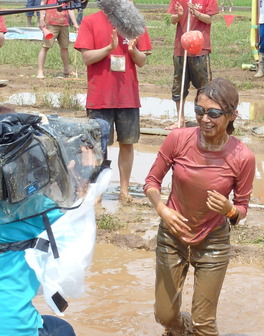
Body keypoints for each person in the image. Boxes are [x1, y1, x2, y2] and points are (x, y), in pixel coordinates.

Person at [144, 78, 256, 336]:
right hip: (172, 236)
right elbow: (151, 181)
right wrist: (162, 210)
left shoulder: (243, 157)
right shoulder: (178, 139)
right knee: (165, 316)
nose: (205, 119)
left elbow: (242, 208)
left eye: (214, 113)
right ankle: (180, 328)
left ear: (231, 115)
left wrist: (229, 210)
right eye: (199, 111)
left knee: (204, 325)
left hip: (213, 242)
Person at [0, 107, 76, 336]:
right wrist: (75, 177)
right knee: (63, 329)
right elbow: (74, 238)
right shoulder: (37, 210)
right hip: (13, 329)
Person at [74, 0, 152, 202]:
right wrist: (109, 47)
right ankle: (98, 194)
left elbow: (142, 61)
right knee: (98, 146)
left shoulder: (134, 22)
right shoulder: (91, 21)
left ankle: (124, 192)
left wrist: (134, 51)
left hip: (128, 96)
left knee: (127, 143)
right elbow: (87, 58)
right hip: (100, 96)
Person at [167, 0, 219, 129]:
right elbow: (173, 20)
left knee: (205, 87)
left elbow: (208, 19)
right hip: (181, 48)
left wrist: (196, 13)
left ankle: (205, 118)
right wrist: (179, 15)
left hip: (200, 49)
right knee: (179, 85)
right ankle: (180, 119)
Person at [37, 0, 79, 79]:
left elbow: (70, 8)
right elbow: (42, 4)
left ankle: (66, 70)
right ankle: (40, 71)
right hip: (50, 23)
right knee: (46, 46)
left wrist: (75, 24)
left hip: (64, 24)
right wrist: (42, 19)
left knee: (65, 47)